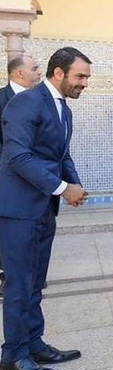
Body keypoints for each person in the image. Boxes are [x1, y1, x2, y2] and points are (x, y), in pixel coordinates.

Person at [0, 47, 89, 370]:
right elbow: (17, 157)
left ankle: (33, 342)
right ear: (59, 73)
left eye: (86, 78)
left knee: (35, 281)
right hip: (18, 209)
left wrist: (74, 184)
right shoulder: (25, 103)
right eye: (80, 77)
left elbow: (61, 155)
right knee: (19, 285)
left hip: (41, 208)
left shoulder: (63, 110)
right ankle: (12, 356)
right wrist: (61, 188)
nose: (84, 83)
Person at [0, 55, 42, 300]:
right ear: (18, 73)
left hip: (34, 181)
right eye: (34, 68)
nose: (38, 72)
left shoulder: (39, 101)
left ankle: (30, 276)